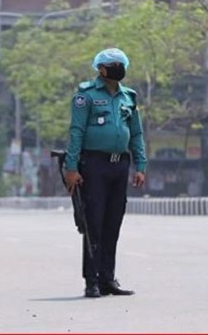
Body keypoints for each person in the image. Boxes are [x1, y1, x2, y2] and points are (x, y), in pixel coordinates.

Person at [64, 48, 147, 298]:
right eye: (113, 64)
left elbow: (137, 133)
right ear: (101, 69)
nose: (119, 68)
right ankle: (92, 281)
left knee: (113, 223)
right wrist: (71, 167)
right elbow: (76, 131)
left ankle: (108, 278)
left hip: (120, 164)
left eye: (122, 63)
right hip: (94, 165)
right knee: (94, 224)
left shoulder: (128, 97)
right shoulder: (86, 96)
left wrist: (140, 165)